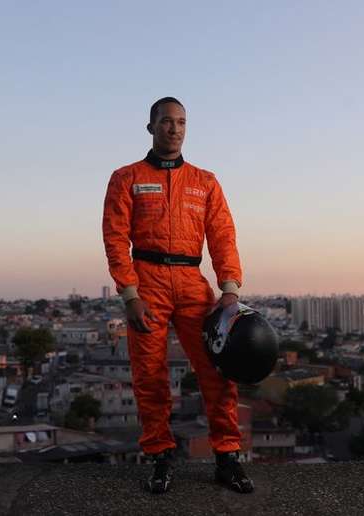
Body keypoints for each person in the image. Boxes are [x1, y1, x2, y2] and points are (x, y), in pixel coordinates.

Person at [102, 97, 253, 494]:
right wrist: (130, 293)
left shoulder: (205, 182)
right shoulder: (126, 178)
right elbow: (115, 238)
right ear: (151, 127)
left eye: (181, 122)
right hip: (146, 281)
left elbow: (223, 236)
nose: (174, 129)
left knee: (218, 369)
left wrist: (230, 289)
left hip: (192, 282)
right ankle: (160, 457)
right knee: (150, 375)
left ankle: (227, 457)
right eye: (167, 121)